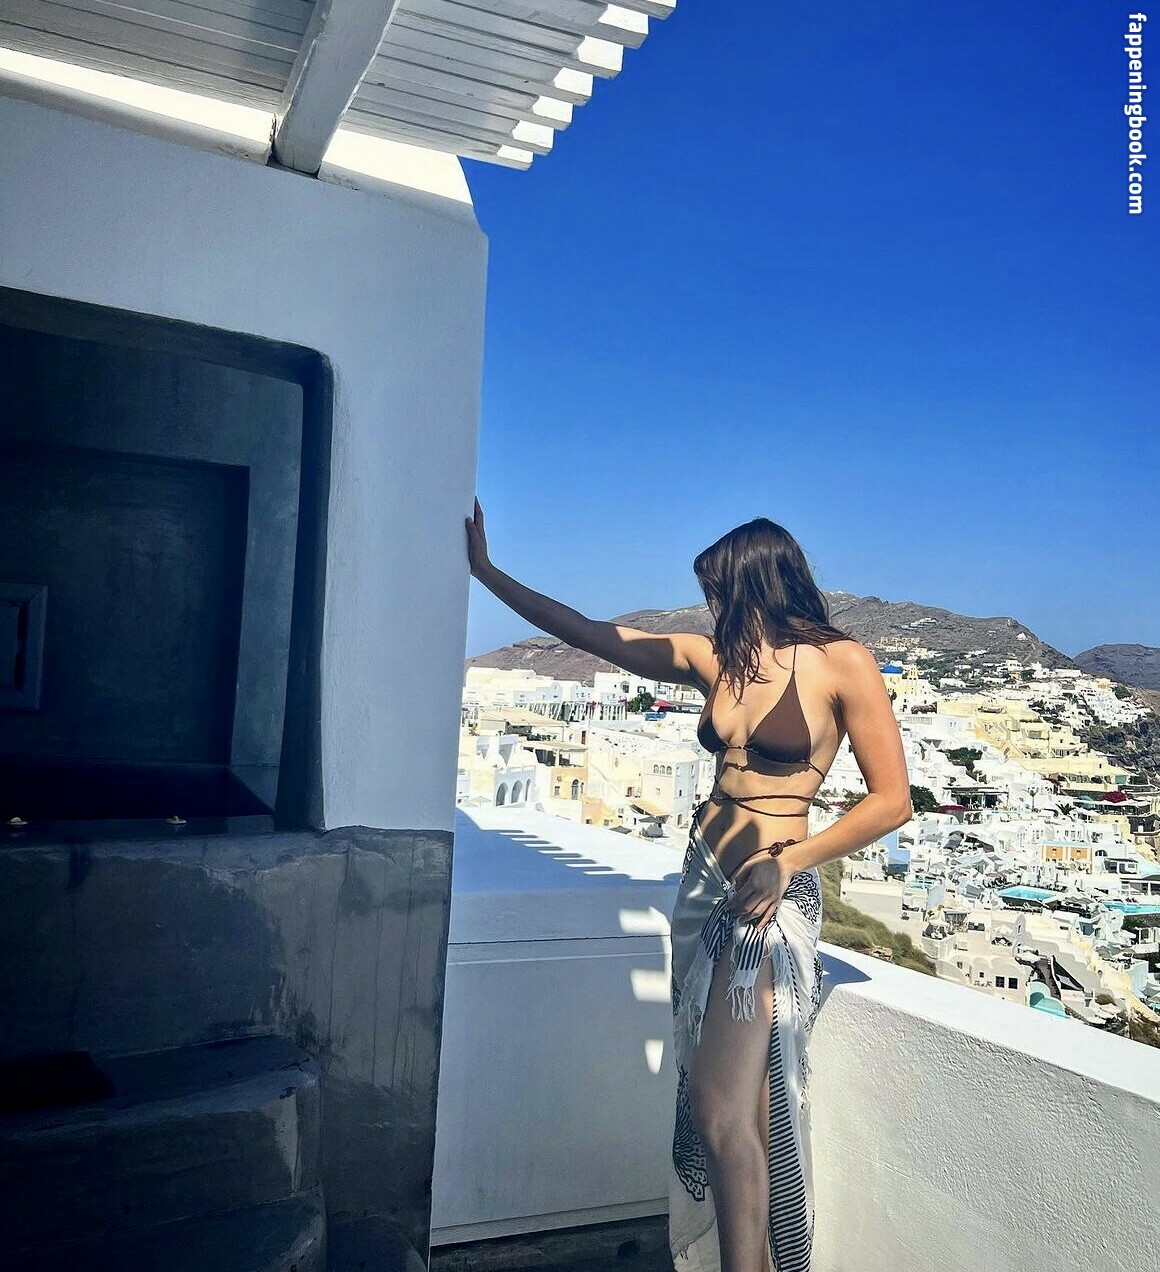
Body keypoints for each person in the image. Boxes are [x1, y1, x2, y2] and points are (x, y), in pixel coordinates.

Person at [464, 498, 912, 1272]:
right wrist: (488, 573)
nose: (711, 606)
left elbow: (891, 801)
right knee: (733, 1111)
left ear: (757, 582)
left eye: (719, 590)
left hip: (768, 894)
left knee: (720, 1111)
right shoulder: (717, 661)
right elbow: (594, 635)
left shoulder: (844, 662)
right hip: (702, 883)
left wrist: (789, 863)